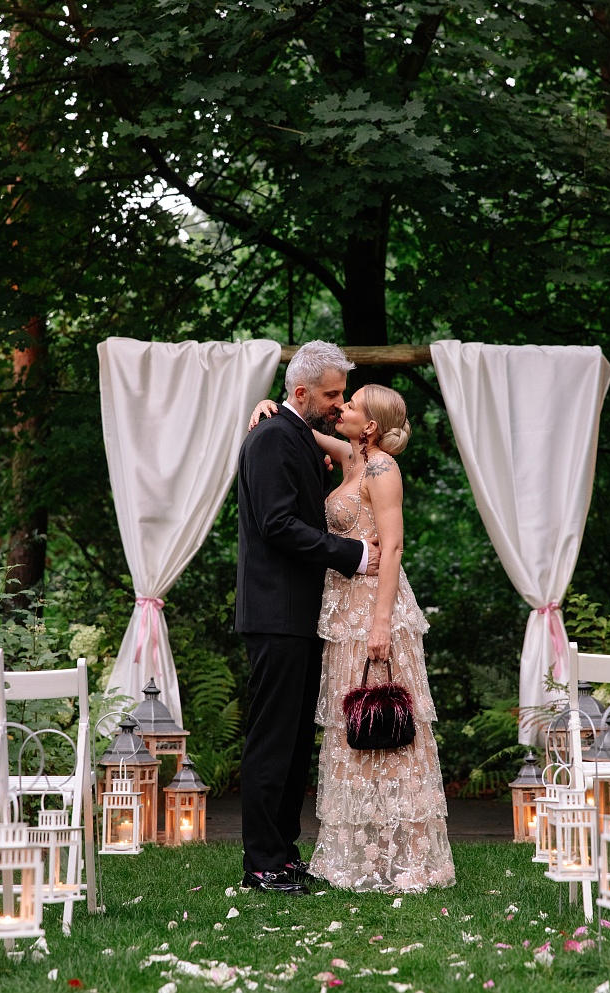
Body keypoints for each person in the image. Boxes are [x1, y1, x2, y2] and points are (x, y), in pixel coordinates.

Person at [251, 383, 455, 893]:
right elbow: (297, 428)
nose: (340, 407)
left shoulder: (382, 468)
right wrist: (267, 404)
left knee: (388, 724)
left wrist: (381, 623)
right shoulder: (350, 456)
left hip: (372, 608)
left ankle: (407, 857)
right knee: (352, 728)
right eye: (339, 398)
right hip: (339, 613)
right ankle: (359, 854)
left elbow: (394, 547)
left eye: (351, 403)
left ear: (370, 425)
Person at [235, 341, 381, 895]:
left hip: (299, 613)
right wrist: (353, 555)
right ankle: (261, 863)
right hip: (275, 612)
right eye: (331, 394)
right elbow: (277, 525)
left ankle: (283, 852)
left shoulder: (294, 433)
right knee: (273, 739)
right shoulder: (273, 437)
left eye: (342, 394)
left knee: (295, 741)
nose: (339, 403)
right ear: (301, 392)